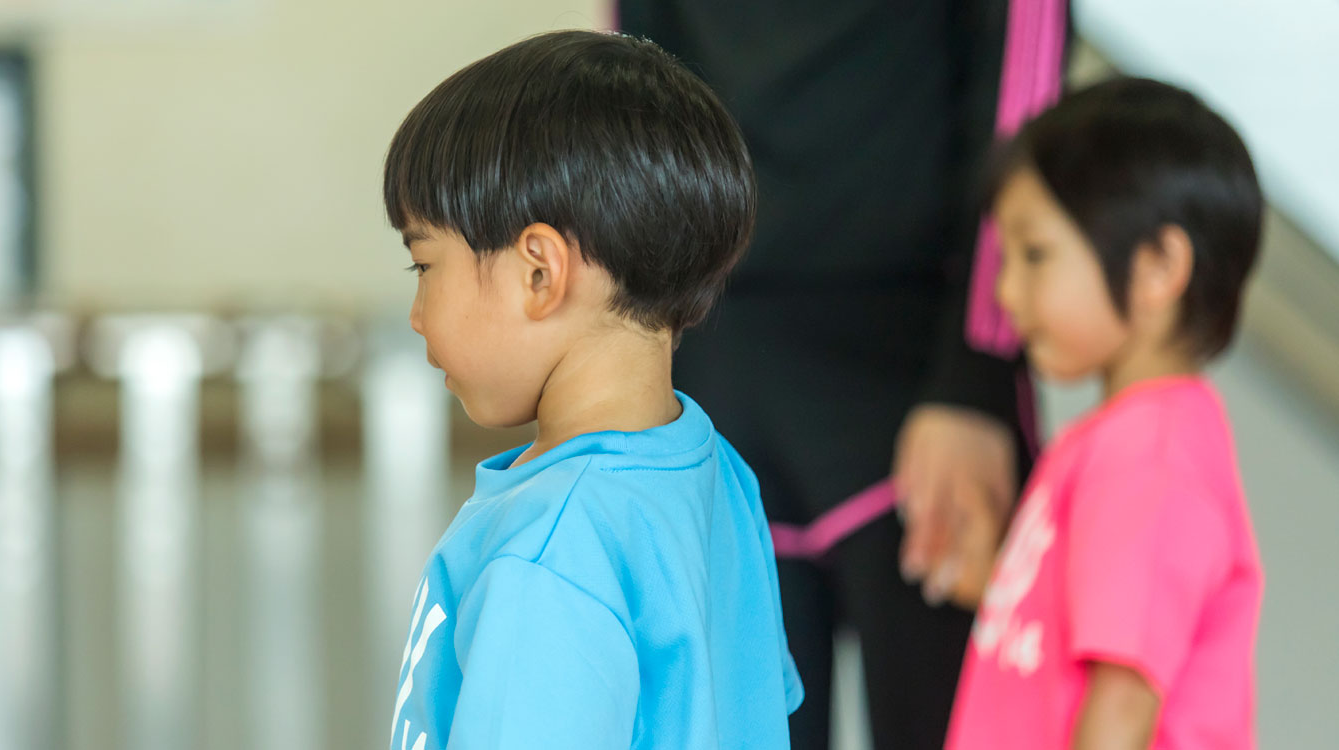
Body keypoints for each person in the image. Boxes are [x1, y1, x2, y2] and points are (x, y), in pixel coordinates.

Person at [617, 1, 1067, 747]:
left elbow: (1022, 100)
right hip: (717, 368)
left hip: (917, 377)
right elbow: (636, 84)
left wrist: (975, 379)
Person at [381, 30, 802, 749]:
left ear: (539, 273)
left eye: (424, 265)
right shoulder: (715, 471)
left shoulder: (548, 554)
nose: (418, 315)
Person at [945, 77, 1265, 750]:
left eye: (1035, 255)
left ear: (1158, 267)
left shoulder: (1151, 459)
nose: (1006, 291)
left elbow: (1121, 710)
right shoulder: (1122, 441)